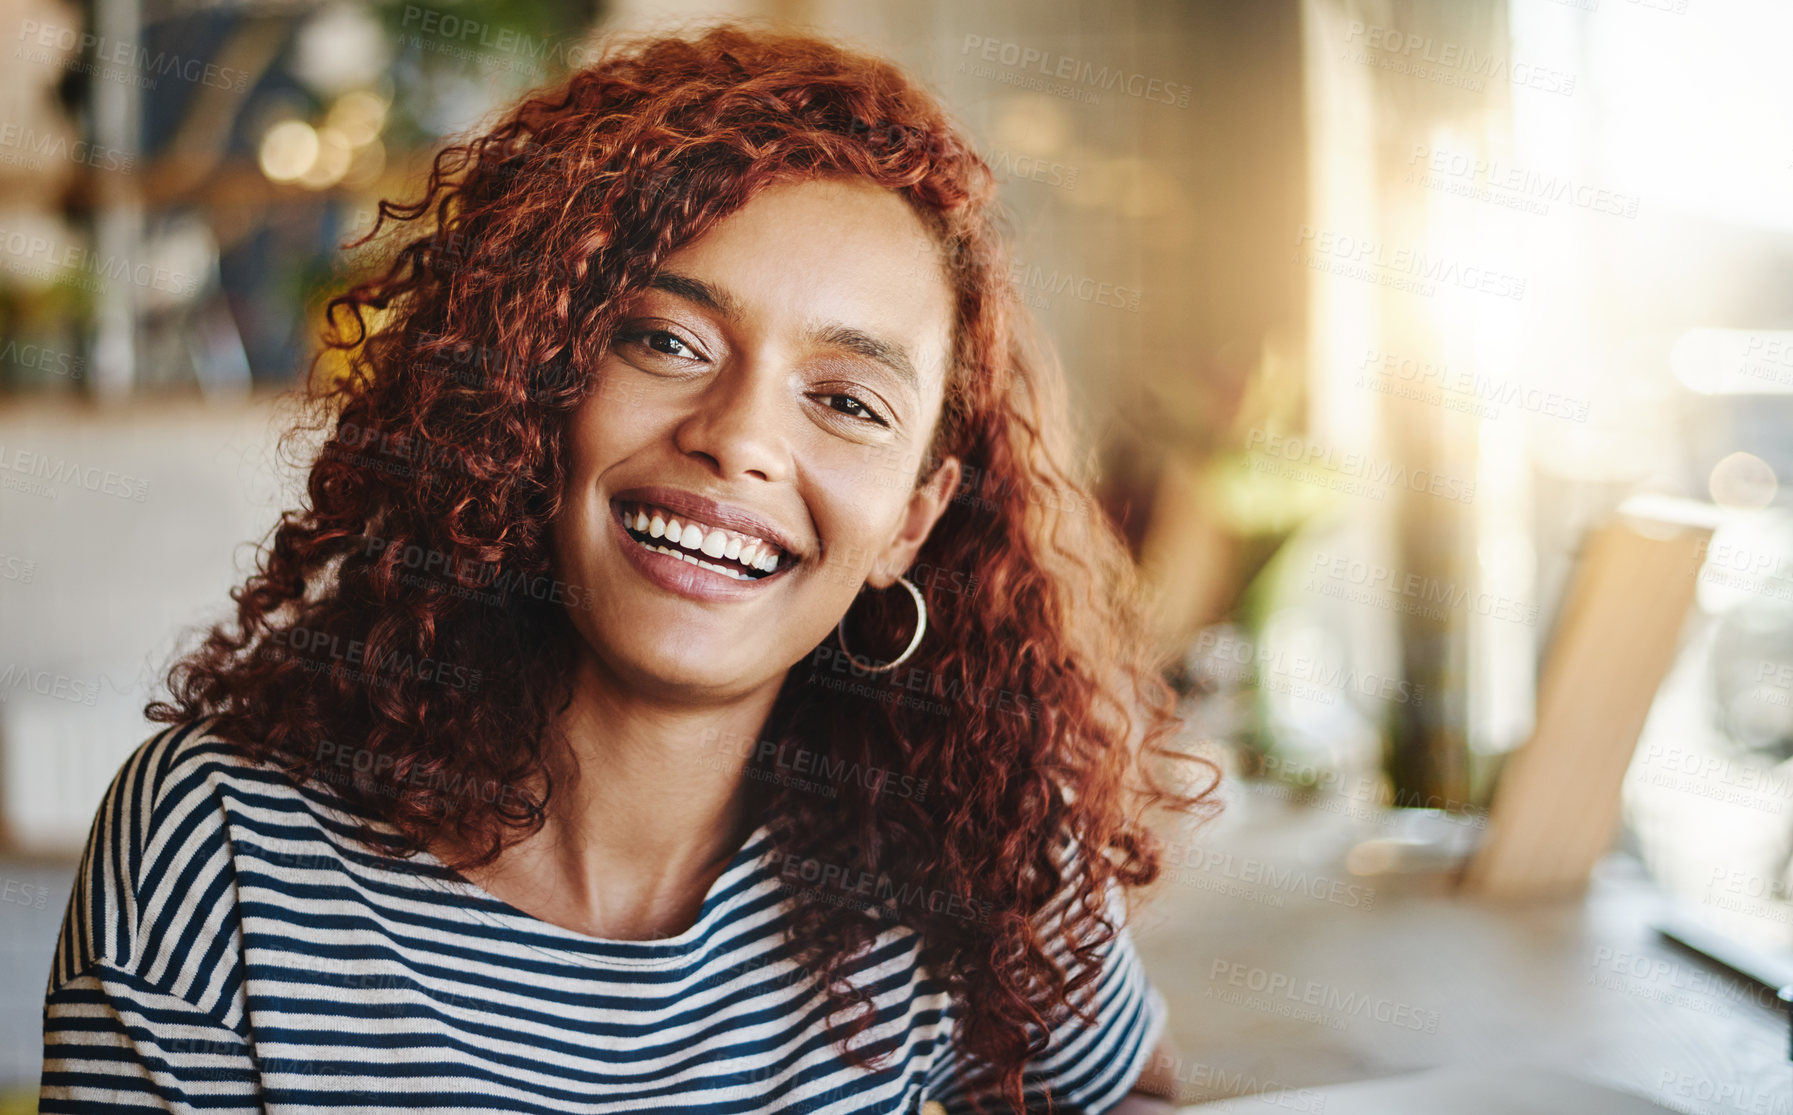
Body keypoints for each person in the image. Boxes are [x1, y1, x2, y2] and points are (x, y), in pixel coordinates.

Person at [40, 21, 1216, 1114]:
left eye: (846, 399)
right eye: (665, 339)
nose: (740, 438)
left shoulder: (976, 841)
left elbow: (1134, 1097)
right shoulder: (220, 850)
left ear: (909, 521)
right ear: (531, 383)